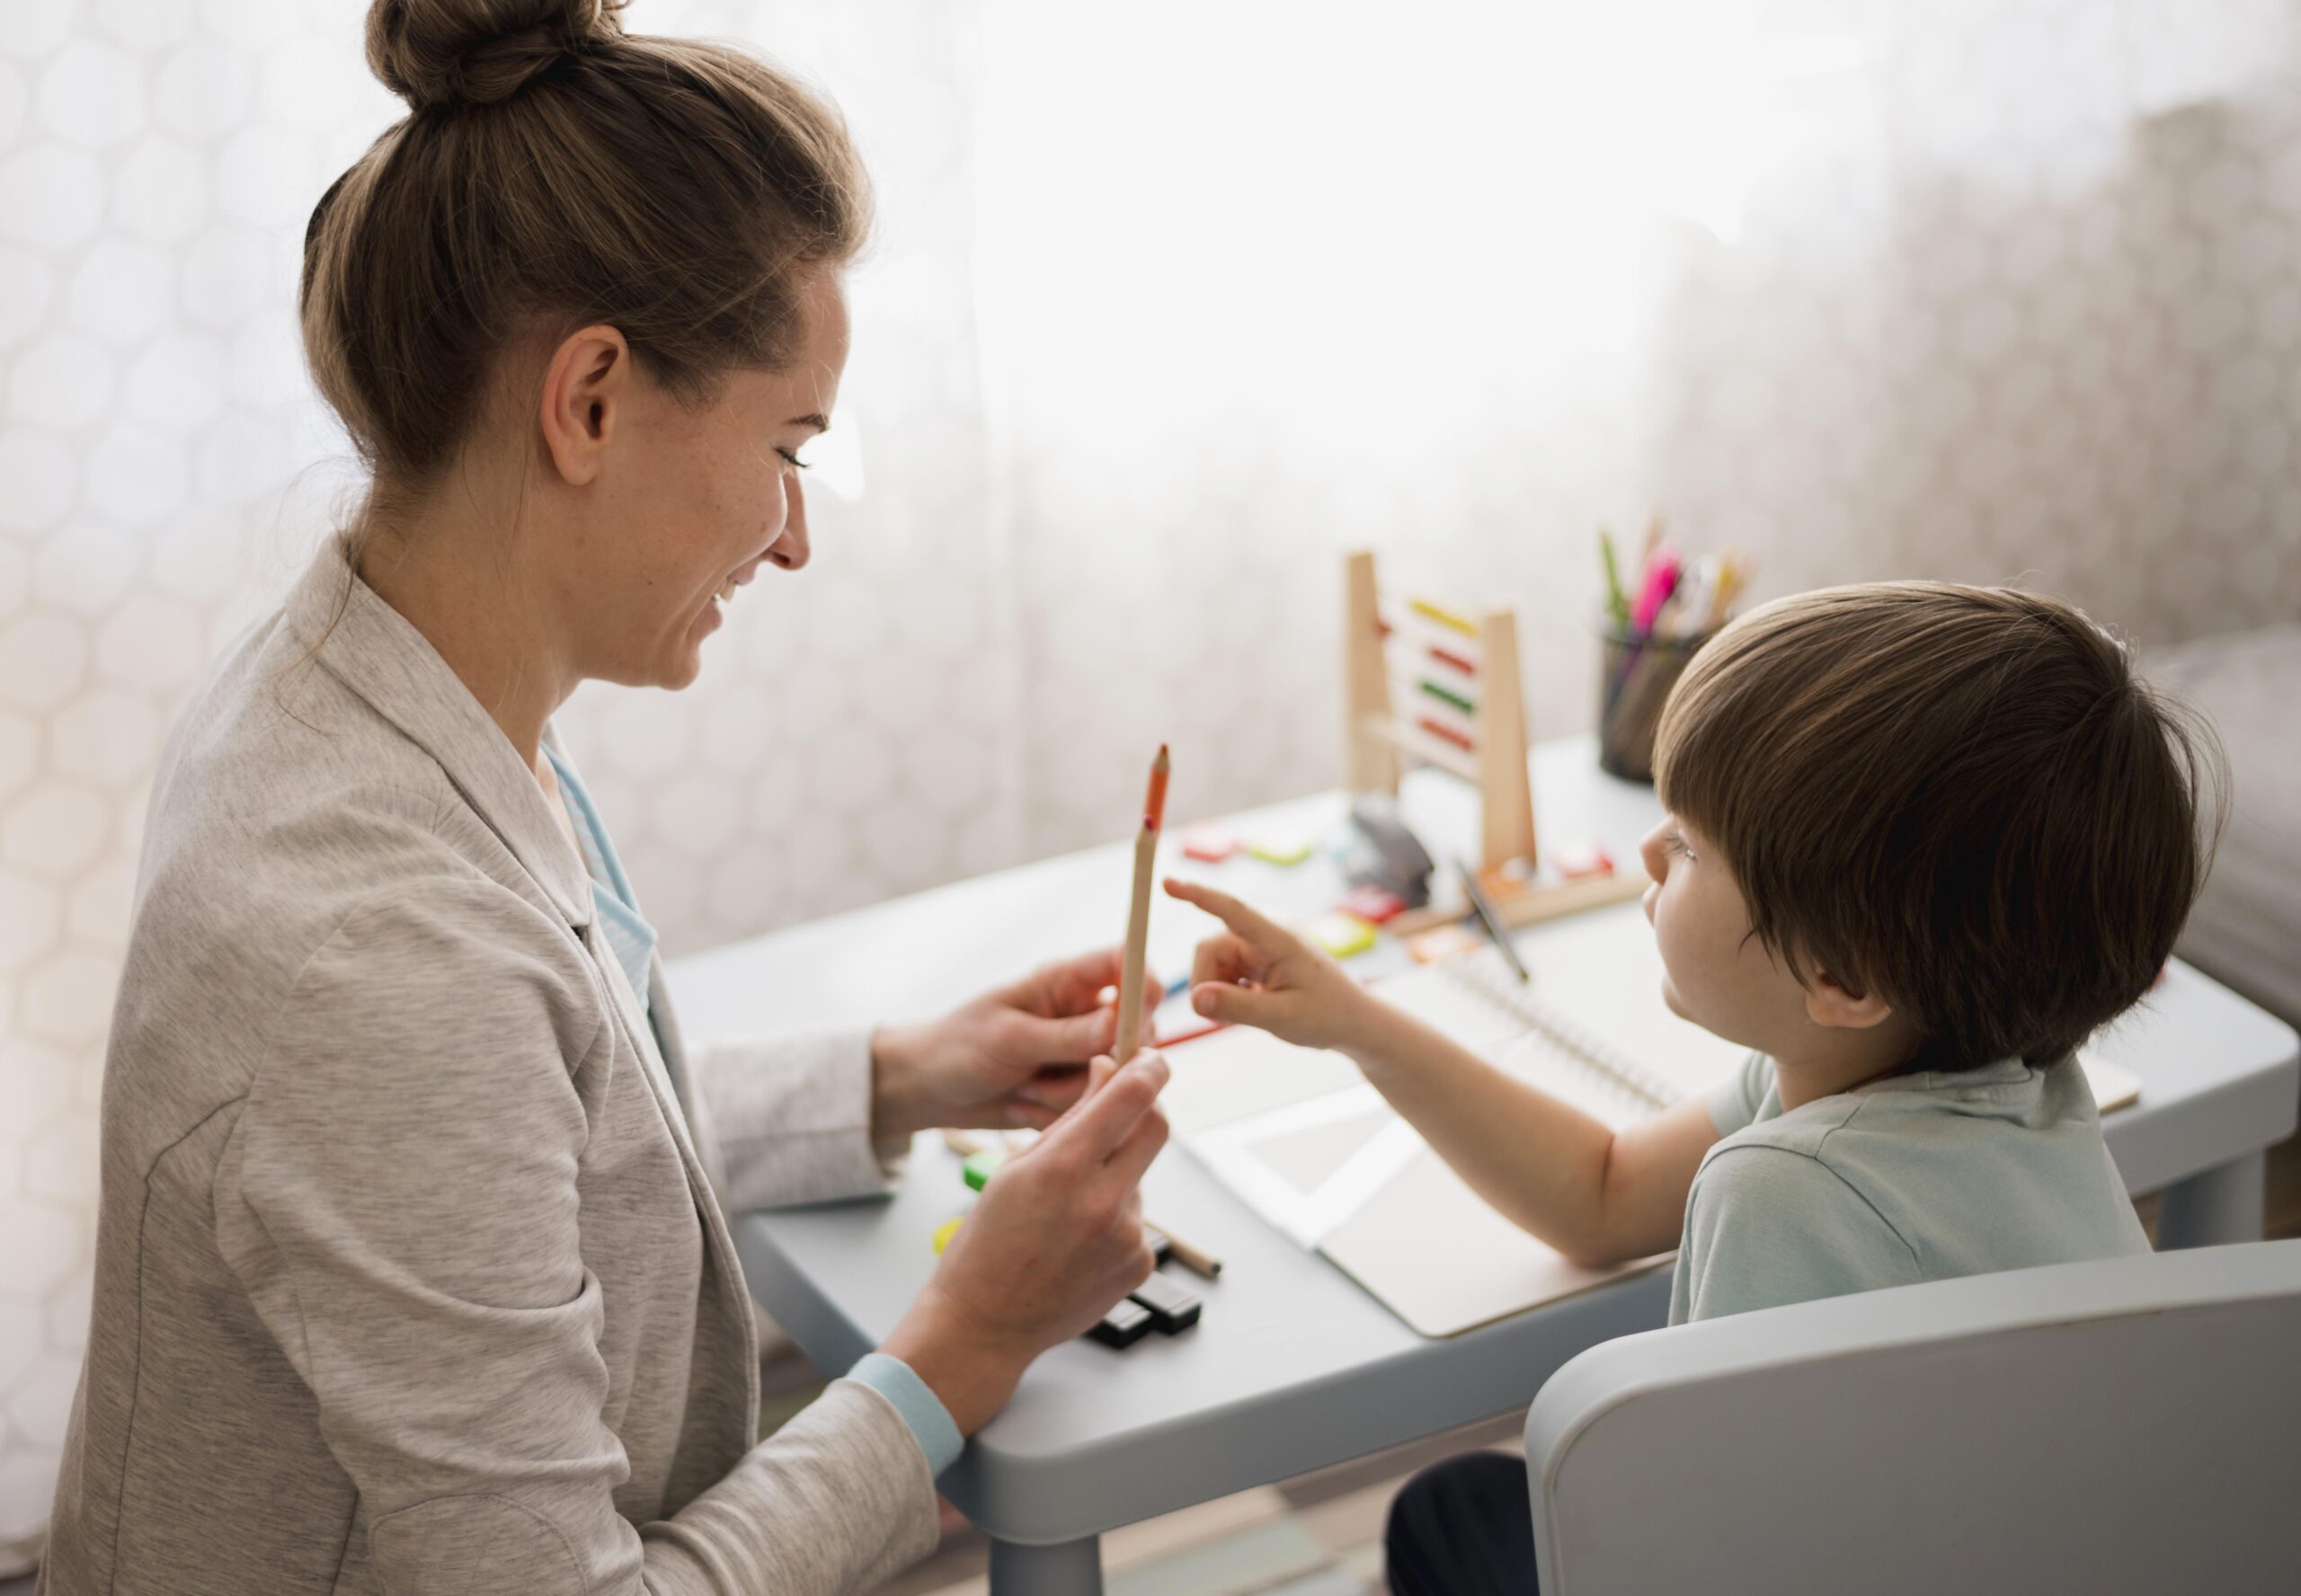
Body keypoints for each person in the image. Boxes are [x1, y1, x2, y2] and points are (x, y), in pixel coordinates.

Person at [39, 3, 1171, 1592]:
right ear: (588, 399)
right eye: (788, 445)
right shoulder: (369, 947)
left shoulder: (364, 682)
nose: (793, 537)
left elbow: (539, 1136)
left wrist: (905, 1075)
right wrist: (958, 1351)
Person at [1167, 582, 2221, 1596]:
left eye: (1689, 844)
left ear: (1842, 978)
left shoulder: (1785, 1193)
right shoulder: (2016, 1073)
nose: (1645, 851)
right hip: (2041, 1552)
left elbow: (1721, 1552)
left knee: (1442, 1514)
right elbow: (1603, 1195)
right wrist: (1361, 1024)